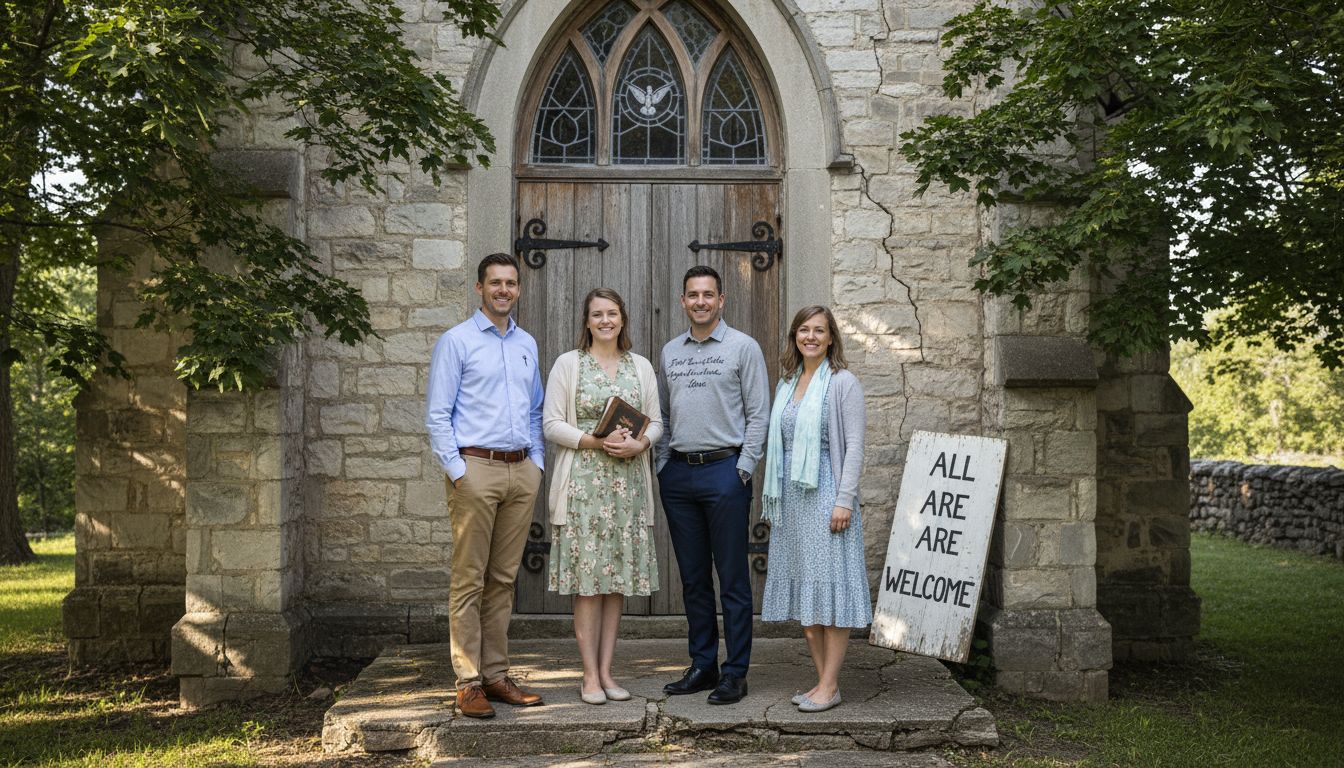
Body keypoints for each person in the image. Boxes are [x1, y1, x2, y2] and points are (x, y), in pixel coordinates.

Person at [426, 252, 546, 719]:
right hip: (475, 469)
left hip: (521, 472)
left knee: (503, 579)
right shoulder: (456, 342)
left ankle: (496, 675)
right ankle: (468, 682)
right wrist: (458, 472)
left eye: (511, 283)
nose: (503, 290)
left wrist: (535, 463)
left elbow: (535, 410)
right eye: (495, 283)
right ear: (480, 288)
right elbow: (438, 414)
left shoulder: (526, 344)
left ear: (518, 289)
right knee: (469, 579)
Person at [656, 265, 770, 705]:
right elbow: (662, 416)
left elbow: (759, 414)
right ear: (683, 301)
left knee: (733, 580)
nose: (700, 301)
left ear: (722, 300)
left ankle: (735, 672)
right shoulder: (670, 351)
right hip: (679, 475)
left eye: (708, 294)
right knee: (693, 578)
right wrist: (664, 463)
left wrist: (743, 469)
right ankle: (703, 664)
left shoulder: (743, 347)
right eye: (692, 295)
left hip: (726, 472)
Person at [543, 288, 662, 705]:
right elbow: (552, 425)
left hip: (628, 488)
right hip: (583, 487)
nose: (605, 320)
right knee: (588, 585)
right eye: (597, 314)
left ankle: (609, 672)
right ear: (587, 321)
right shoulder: (568, 365)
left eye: (612, 313)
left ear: (622, 318)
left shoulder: (640, 366)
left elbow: (658, 423)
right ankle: (589, 676)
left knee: (616, 586)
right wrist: (595, 441)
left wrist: (641, 444)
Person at [760, 305, 870, 713]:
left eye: (818, 331)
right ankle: (826, 683)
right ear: (795, 337)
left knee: (831, 593)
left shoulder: (843, 383)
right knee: (806, 599)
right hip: (791, 500)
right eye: (803, 330)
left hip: (828, 497)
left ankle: (828, 684)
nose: (810, 337)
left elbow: (855, 446)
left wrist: (844, 500)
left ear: (830, 338)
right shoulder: (786, 384)